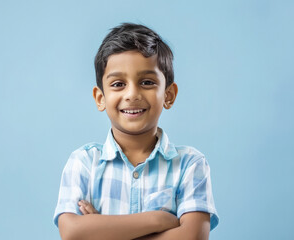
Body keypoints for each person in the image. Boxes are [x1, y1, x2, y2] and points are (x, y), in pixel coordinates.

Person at [53, 23, 219, 240]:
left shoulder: (190, 165)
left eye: (147, 82)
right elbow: (72, 233)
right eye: (118, 84)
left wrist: (102, 231)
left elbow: (193, 237)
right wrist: (156, 220)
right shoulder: (83, 163)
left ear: (168, 95)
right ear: (100, 98)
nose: (132, 94)